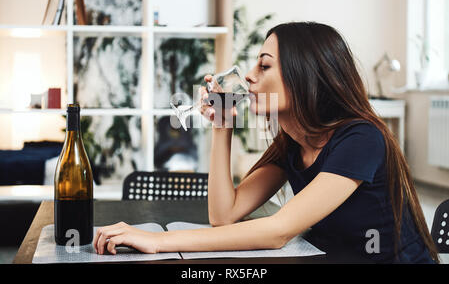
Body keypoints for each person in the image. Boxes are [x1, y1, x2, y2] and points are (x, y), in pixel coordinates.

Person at [93, 22, 438, 263]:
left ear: (306, 74)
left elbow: (278, 230)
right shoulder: (291, 144)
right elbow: (224, 215)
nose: (249, 75)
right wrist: (223, 126)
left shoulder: (362, 138)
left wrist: (157, 241)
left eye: (265, 65)